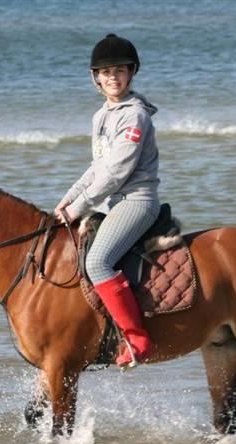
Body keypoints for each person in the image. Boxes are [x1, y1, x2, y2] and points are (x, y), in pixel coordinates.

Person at [54, 33, 161, 370]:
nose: (112, 77)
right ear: (95, 77)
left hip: (136, 200)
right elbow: (96, 167)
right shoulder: (101, 115)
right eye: (105, 72)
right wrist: (66, 201)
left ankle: (137, 339)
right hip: (112, 202)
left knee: (97, 262)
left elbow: (116, 172)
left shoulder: (135, 116)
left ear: (131, 74)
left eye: (119, 71)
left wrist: (79, 207)